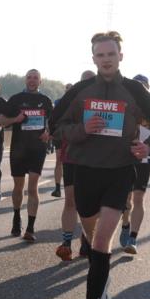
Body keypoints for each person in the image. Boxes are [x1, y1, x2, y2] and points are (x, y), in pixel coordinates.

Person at [51, 32, 150, 299]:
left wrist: (149, 147)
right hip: (85, 172)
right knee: (91, 242)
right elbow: (55, 127)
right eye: (100, 55)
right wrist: (81, 129)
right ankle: (101, 284)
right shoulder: (80, 91)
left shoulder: (134, 90)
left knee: (102, 242)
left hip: (119, 172)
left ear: (121, 56)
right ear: (93, 58)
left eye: (111, 54)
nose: (106, 59)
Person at [0, 69, 54, 241]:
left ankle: (30, 228)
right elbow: (1, 120)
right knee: (18, 187)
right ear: (25, 80)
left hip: (37, 149)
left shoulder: (45, 101)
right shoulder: (16, 99)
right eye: (29, 77)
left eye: (35, 78)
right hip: (18, 149)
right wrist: (15, 120)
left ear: (40, 81)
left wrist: (48, 133)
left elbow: (53, 123)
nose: (32, 80)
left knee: (32, 188)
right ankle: (16, 217)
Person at [54, 70, 94, 262]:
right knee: (70, 201)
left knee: (92, 205)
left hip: (97, 159)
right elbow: (56, 126)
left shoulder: (106, 101)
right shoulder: (70, 102)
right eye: (84, 82)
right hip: (72, 156)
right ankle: (67, 244)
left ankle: (88, 241)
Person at [118, 74, 150, 256]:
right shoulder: (124, 104)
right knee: (125, 198)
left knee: (138, 197)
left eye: (144, 86)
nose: (141, 89)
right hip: (125, 155)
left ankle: (133, 238)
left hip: (145, 157)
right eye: (138, 86)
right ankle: (125, 224)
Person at [50, 83, 72, 197]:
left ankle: (72, 186)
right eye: (67, 89)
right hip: (60, 134)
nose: (69, 91)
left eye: (71, 89)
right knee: (59, 160)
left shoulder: (78, 100)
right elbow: (53, 117)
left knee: (71, 161)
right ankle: (57, 187)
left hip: (73, 135)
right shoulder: (58, 102)